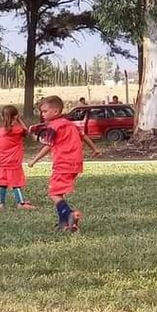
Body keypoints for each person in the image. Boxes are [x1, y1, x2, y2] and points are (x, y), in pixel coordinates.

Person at [28, 96, 102, 232]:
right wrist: (95, 149)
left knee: (54, 193)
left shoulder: (53, 126)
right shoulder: (69, 123)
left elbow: (48, 145)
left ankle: (69, 214)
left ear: (56, 111)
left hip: (63, 163)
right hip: (75, 164)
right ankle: (64, 223)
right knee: (59, 192)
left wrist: (34, 160)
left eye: (45, 111)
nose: (42, 114)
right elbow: (83, 136)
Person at [0, 106, 35, 210]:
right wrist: (19, 119)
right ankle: (20, 203)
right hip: (14, 162)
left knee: (1, 182)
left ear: (2, 117)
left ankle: (0, 204)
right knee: (16, 183)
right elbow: (26, 131)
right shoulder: (18, 130)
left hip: (1, 162)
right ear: (15, 116)